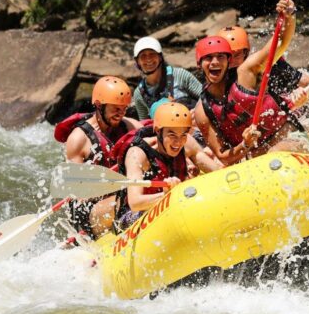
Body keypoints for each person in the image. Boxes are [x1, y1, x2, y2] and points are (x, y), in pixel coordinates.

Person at [194, 0, 309, 166]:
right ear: (199, 64)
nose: (214, 62)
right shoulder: (202, 110)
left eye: (220, 57)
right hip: (254, 154)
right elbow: (223, 155)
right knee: (261, 159)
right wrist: (245, 144)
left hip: (288, 136)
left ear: (228, 61)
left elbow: (279, 43)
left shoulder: (246, 73)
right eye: (208, 58)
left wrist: (289, 16)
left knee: (274, 154)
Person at [90, 102, 221, 235]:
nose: (178, 142)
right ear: (158, 131)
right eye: (172, 135)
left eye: (183, 135)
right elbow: (135, 202)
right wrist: (166, 195)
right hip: (134, 214)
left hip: (172, 203)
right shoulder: (137, 154)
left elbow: (218, 172)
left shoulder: (187, 144)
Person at [217, 20, 309, 152]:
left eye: (237, 55)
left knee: (276, 151)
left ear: (246, 53)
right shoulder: (218, 86)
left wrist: (306, 95)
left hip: (301, 125)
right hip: (266, 138)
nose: (232, 61)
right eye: (227, 56)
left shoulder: (272, 66)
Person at [54, 76, 142, 238]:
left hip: (121, 195)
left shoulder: (129, 126)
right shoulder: (79, 139)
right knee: (128, 196)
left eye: (123, 108)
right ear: (99, 105)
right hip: (89, 212)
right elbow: (76, 190)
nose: (120, 113)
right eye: (116, 108)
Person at [133, 36, 203, 120]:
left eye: (152, 54)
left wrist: (196, 112)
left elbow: (206, 98)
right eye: (143, 56)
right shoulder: (139, 94)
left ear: (160, 57)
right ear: (138, 61)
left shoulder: (180, 75)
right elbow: (144, 124)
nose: (148, 59)